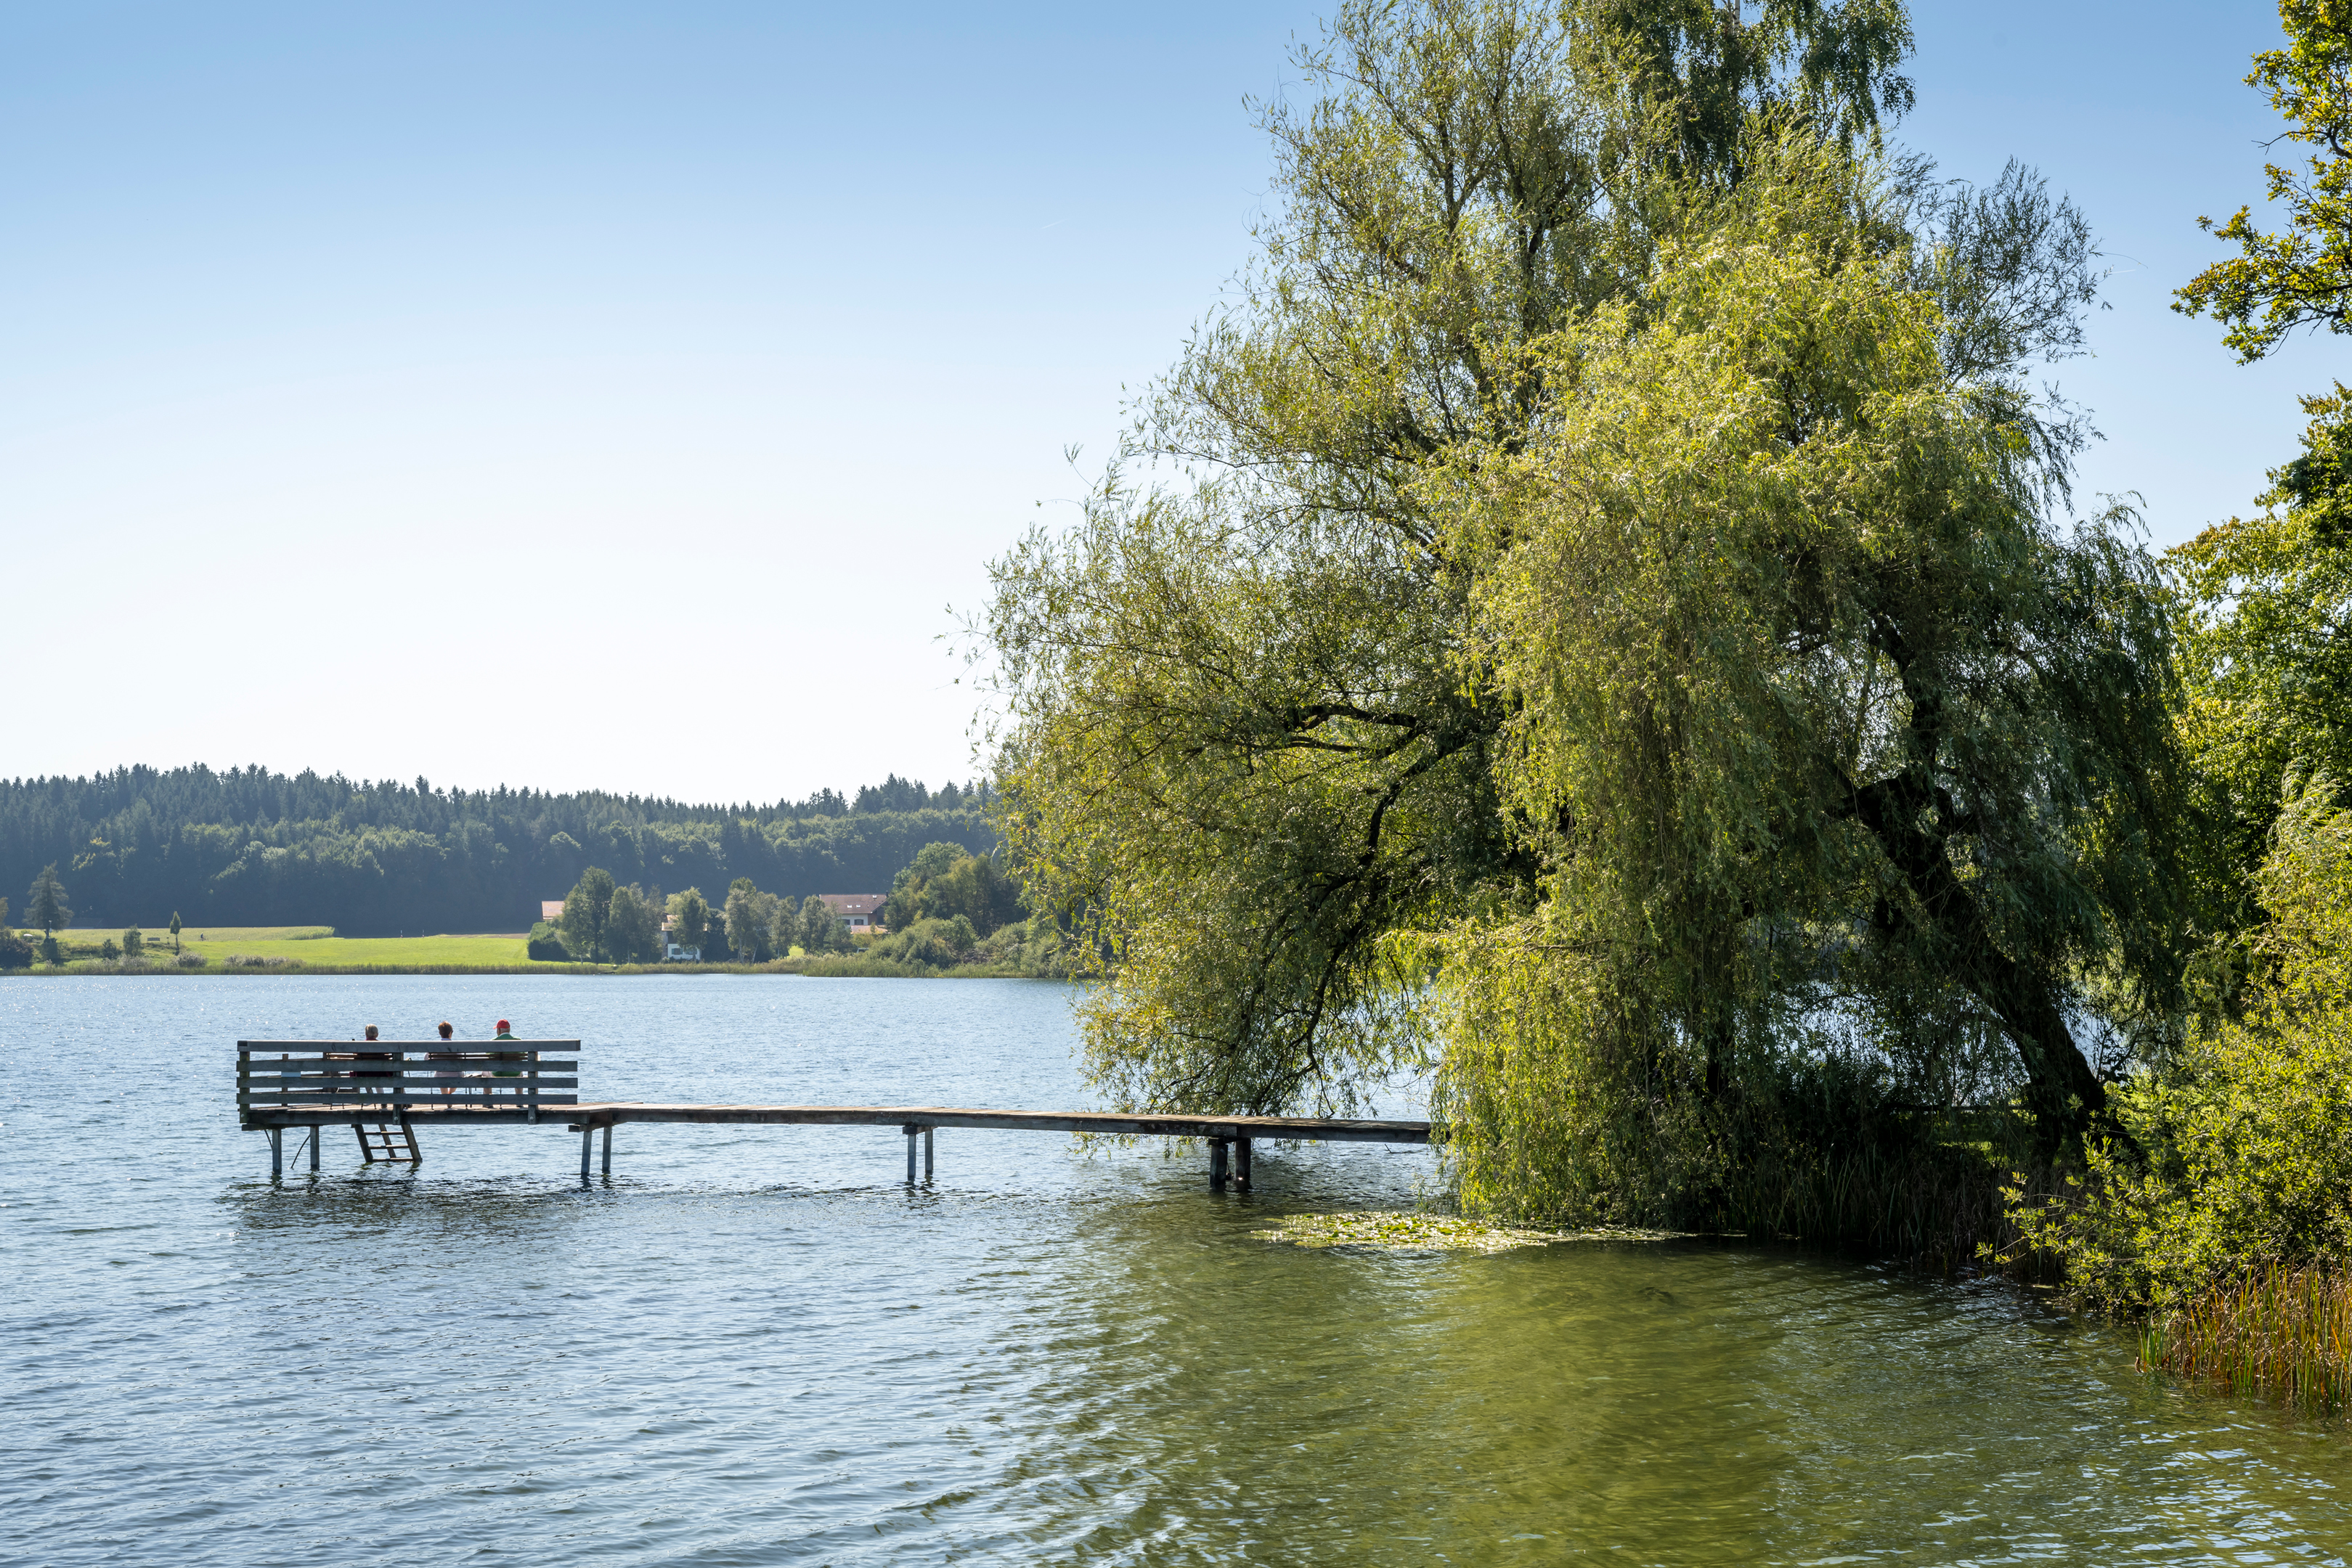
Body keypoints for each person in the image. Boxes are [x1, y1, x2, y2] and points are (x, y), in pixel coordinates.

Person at [430, 1020, 460, 1095]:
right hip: (455, 1075)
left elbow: (426, 1058)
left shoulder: (435, 1047)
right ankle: (450, 1093)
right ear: (450, 1033)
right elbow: (461, 1060)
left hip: (440, 1075)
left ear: (440, 1033)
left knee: (441, 1074)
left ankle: (446, 1096)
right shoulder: (456, 1047)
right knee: (458, 1074)